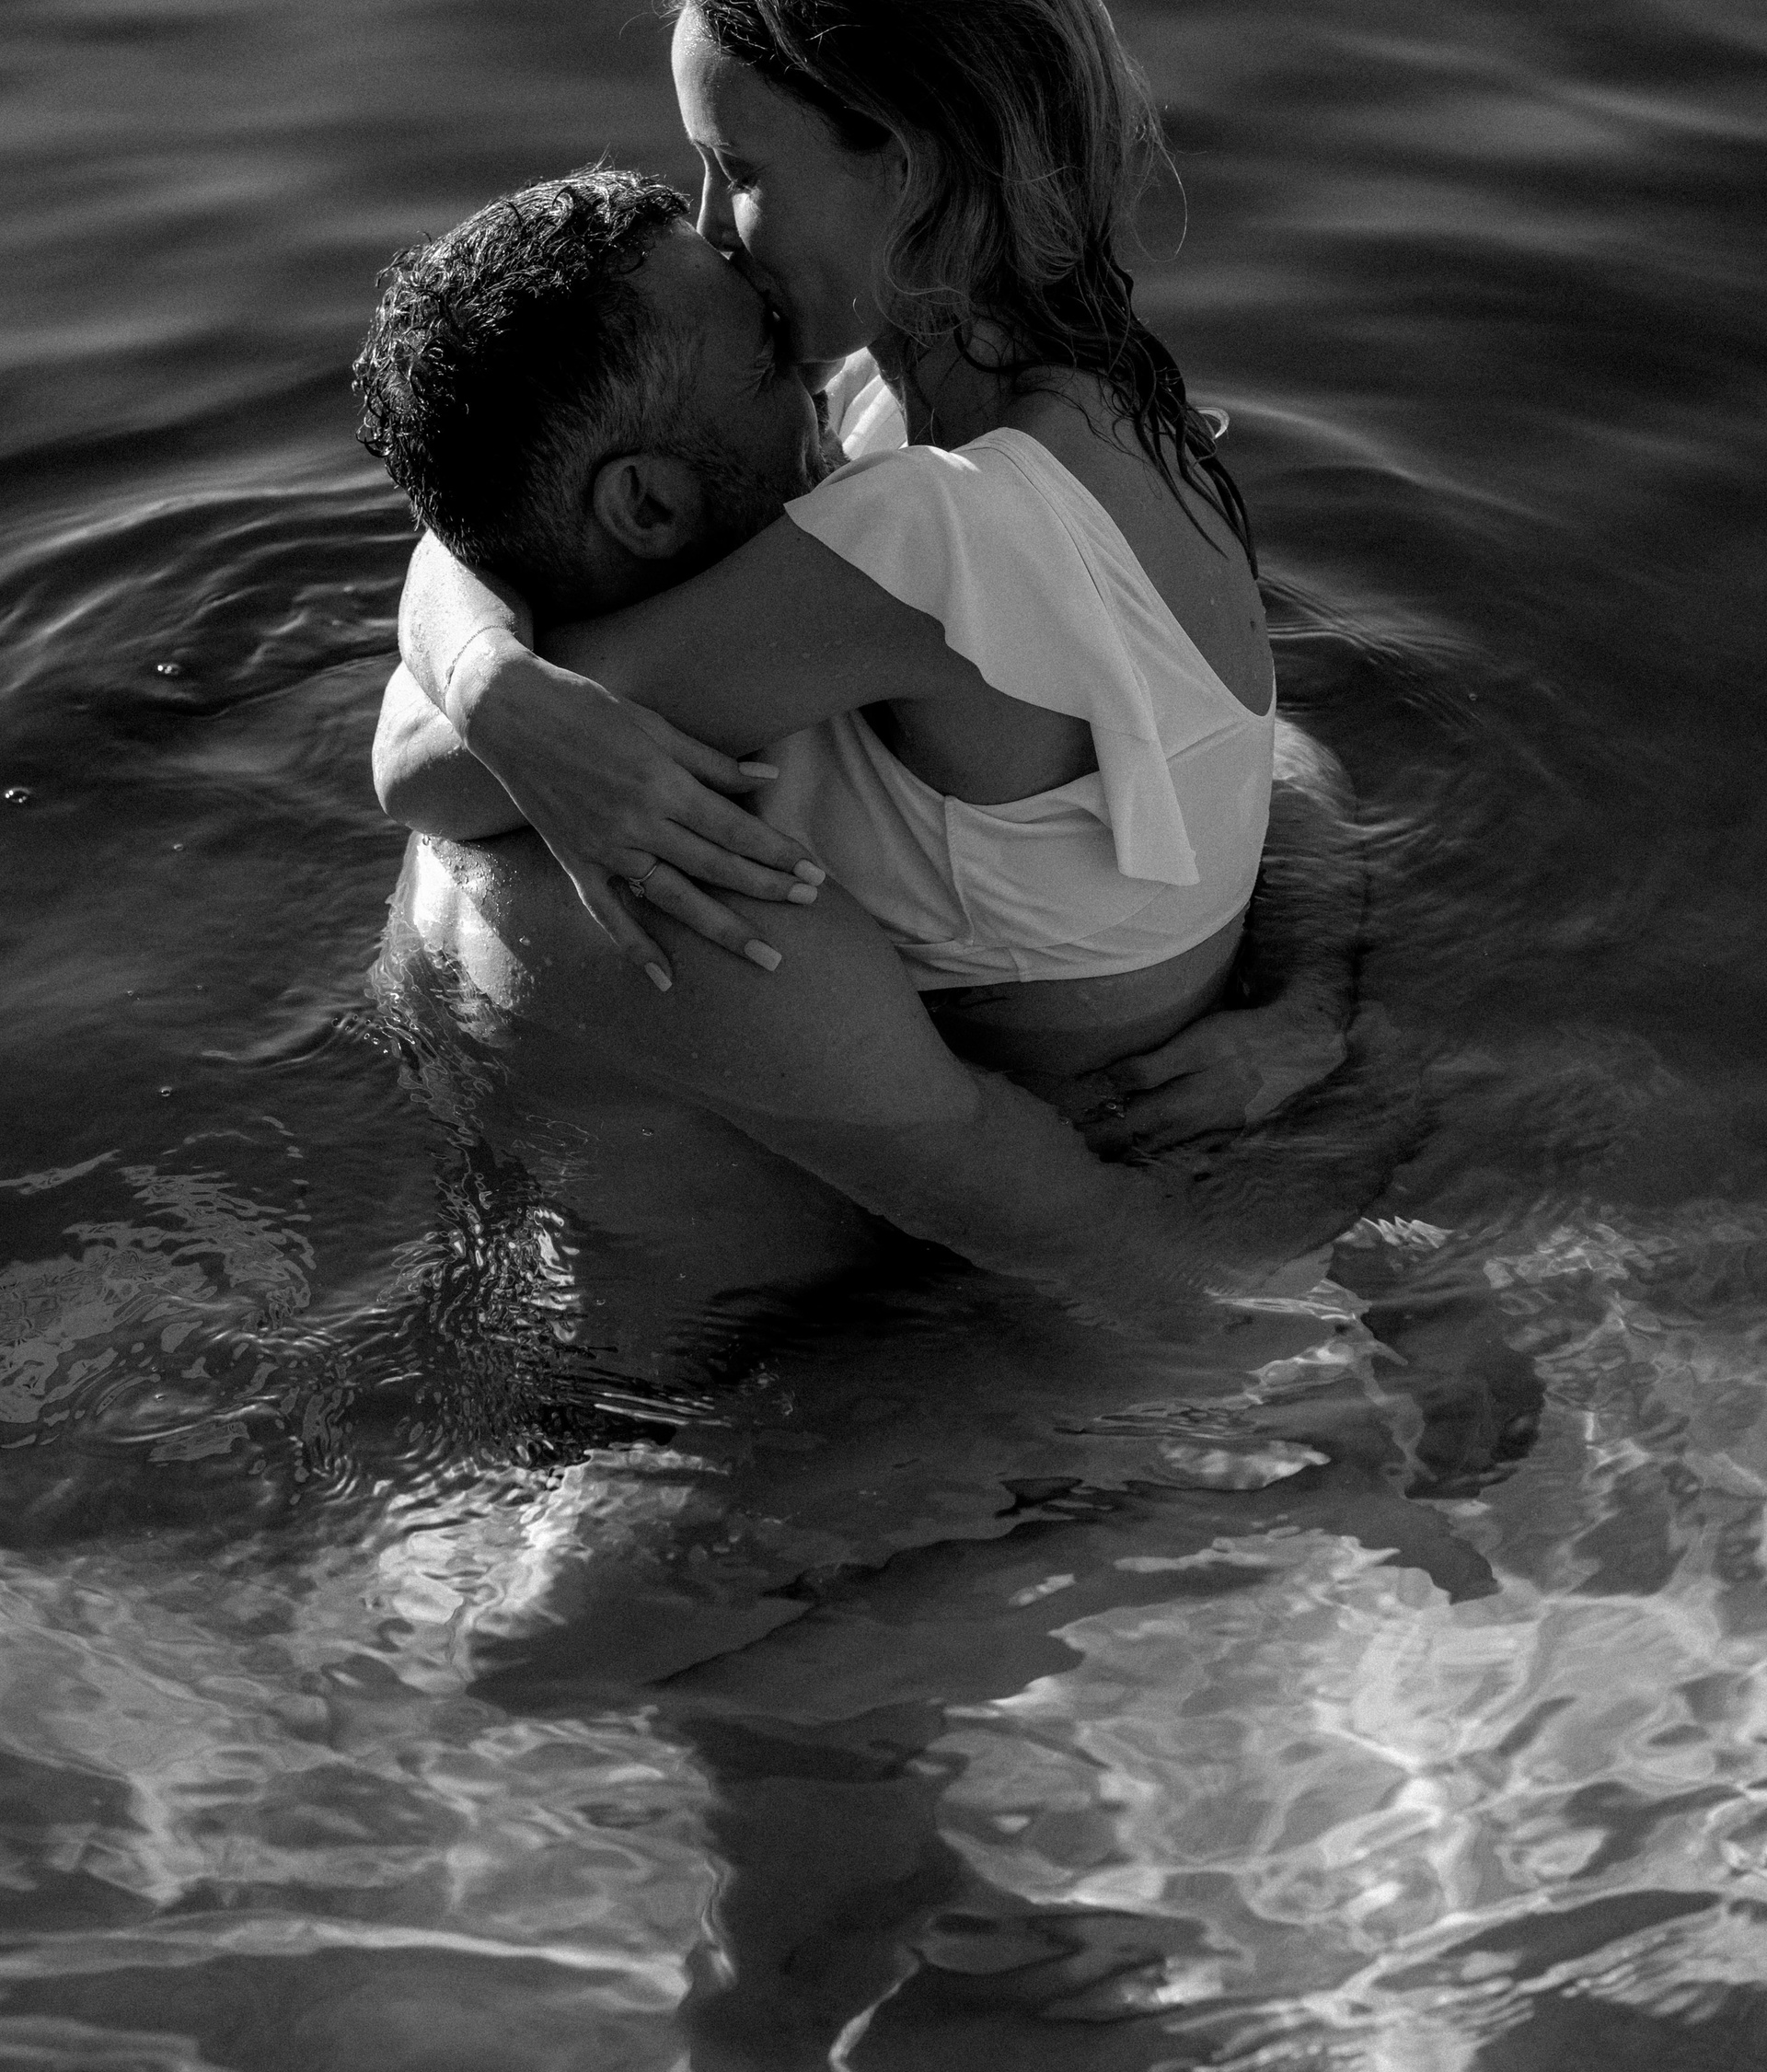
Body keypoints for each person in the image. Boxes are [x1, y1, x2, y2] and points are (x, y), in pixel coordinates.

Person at [360, 165, 1367, 1352]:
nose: (817, 367)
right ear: (648, 506)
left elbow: (1269, 756)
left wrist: (485, 675)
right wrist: (1384, 1298)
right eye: (768, 362)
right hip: (698, 1398)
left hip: (571, 1289)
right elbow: (1125, 1266)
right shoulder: (691, 891)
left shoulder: (581, 682)